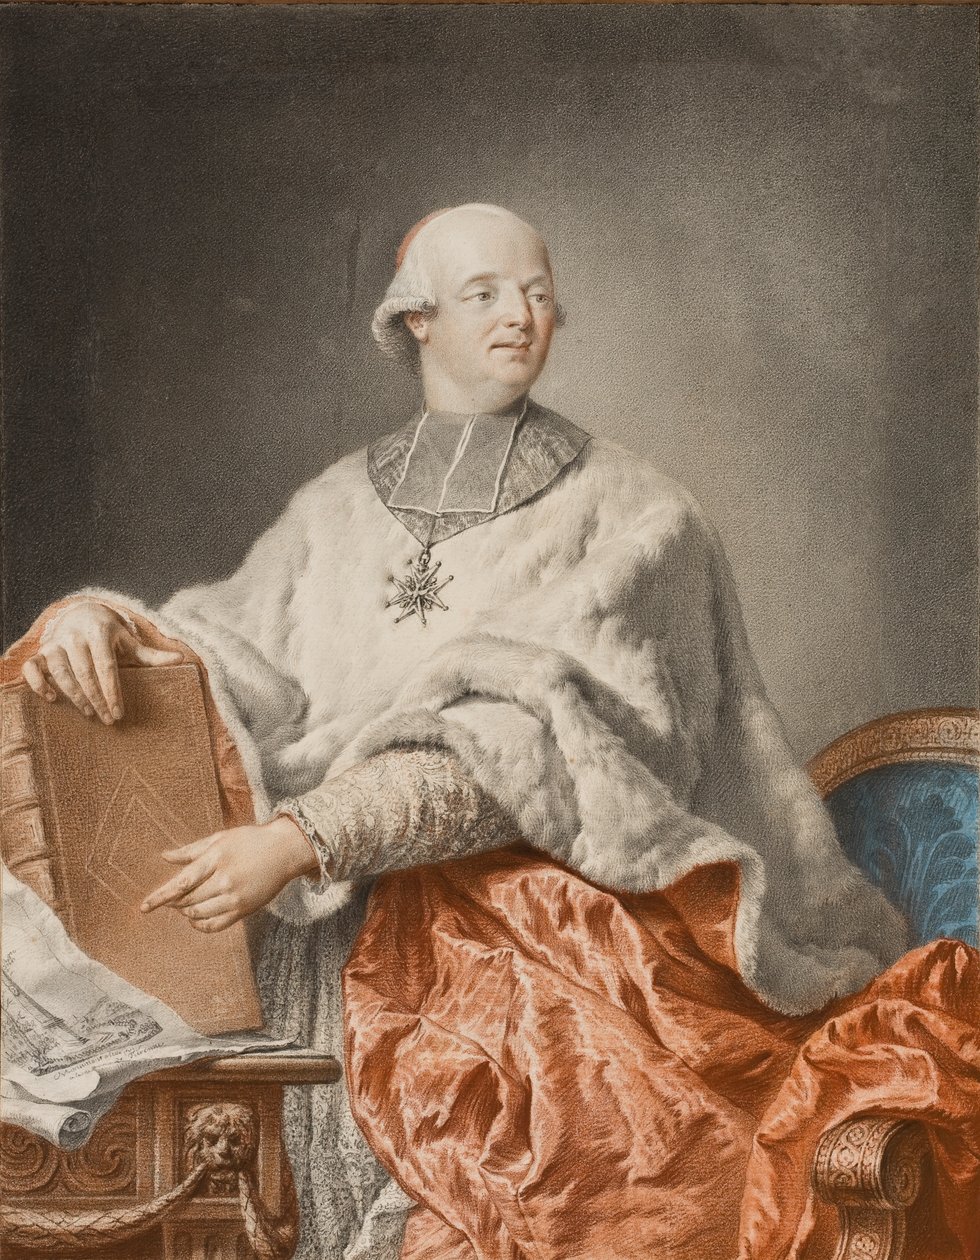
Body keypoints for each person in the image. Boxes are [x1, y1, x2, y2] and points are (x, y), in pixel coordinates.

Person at [12, 204, 978, 1259]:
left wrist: (302, 838)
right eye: (484, 294)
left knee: (563, 1176)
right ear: (415, 319)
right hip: (314, 934)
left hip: (542, 927)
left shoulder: (640, 518)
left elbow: (535, 747)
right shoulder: (333, 508)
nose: (520, 315)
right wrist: (98, 621)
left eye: (537, 294)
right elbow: (230, 649)